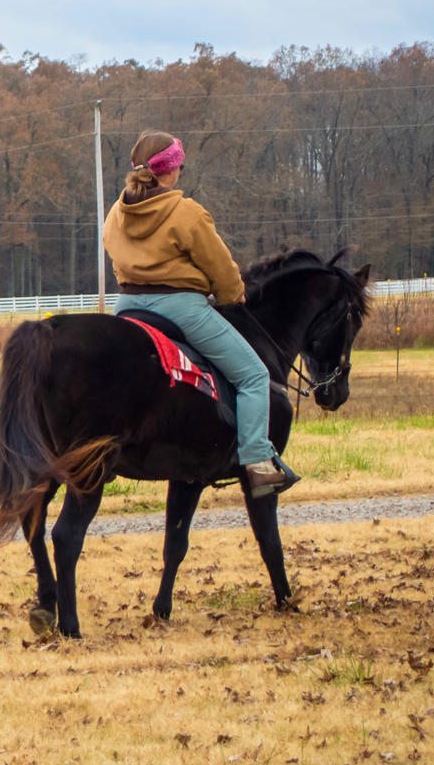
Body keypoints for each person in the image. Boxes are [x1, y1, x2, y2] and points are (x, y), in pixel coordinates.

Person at [102, 130, 292, 498]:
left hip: (126, 306)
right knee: (254, 377)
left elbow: (115, 255)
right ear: (170, 170)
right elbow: (221, 269)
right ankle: (257, 464)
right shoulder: (186, 212)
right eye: (179, 165)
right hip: (181, 307)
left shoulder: (116, 213)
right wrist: (232, 296)